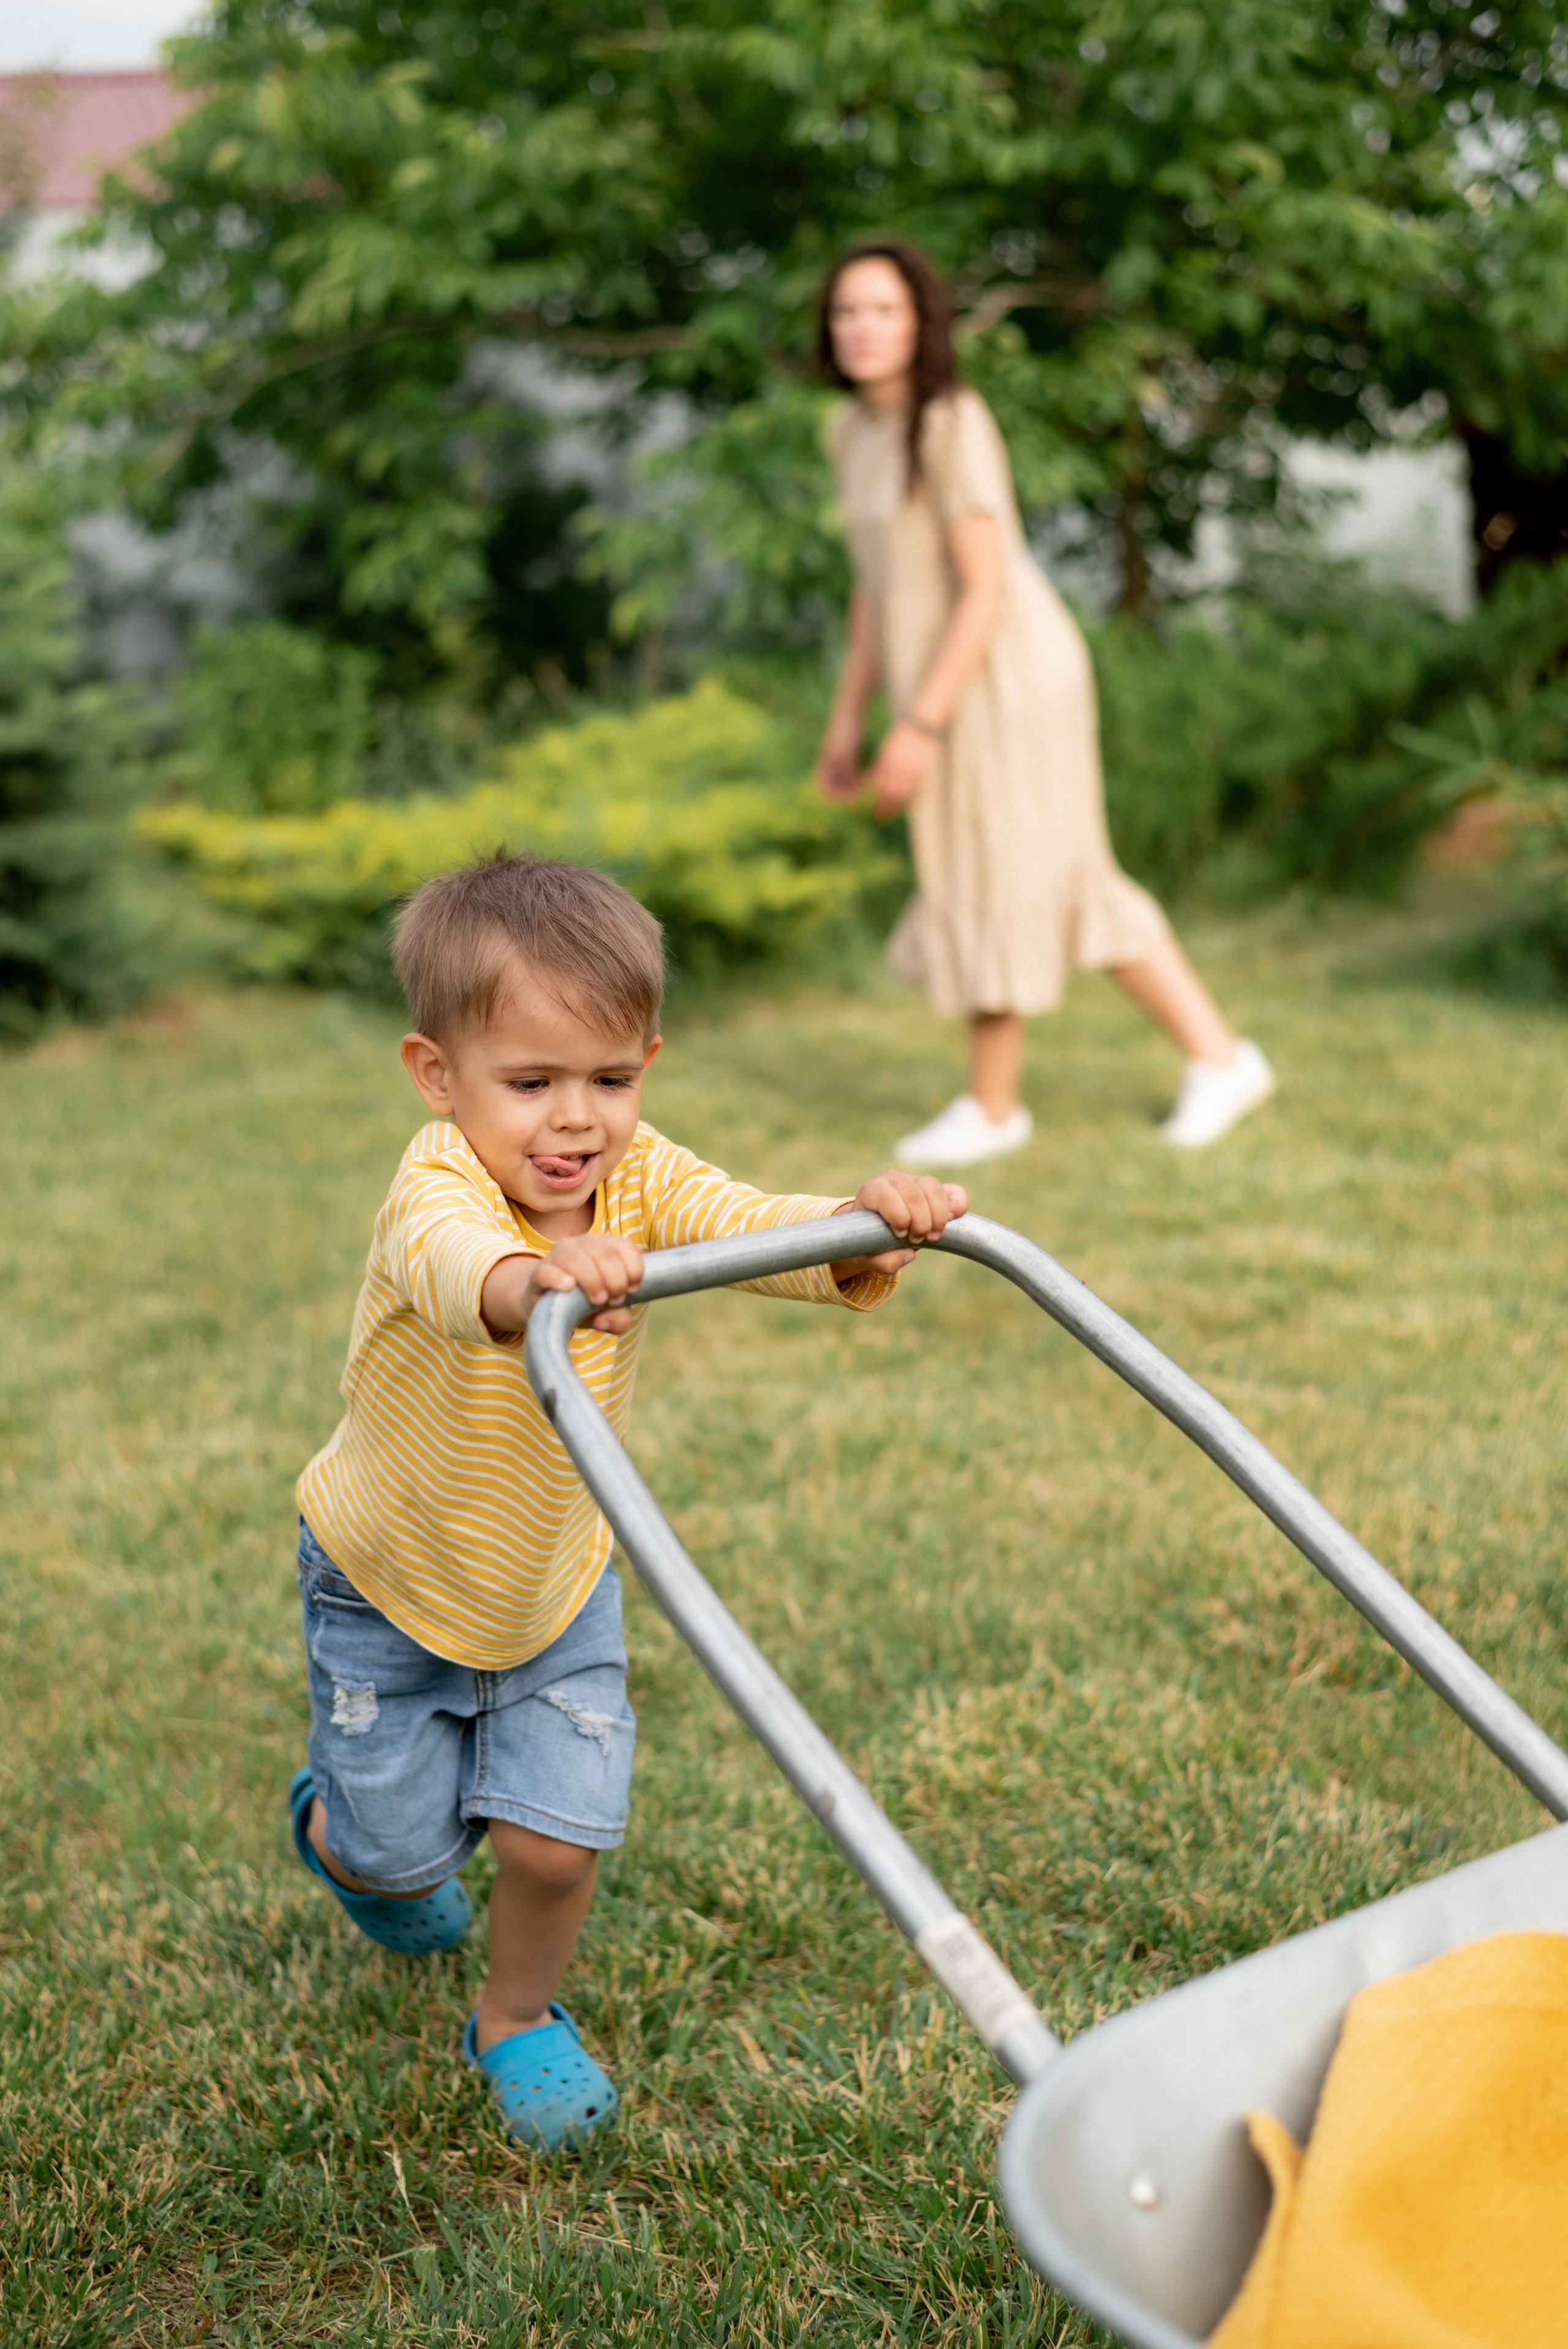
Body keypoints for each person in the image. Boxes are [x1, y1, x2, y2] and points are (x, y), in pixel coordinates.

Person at [287, 851, 964, 2151]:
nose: (576, 1121)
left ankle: (513, 2018)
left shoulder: (641, 1175)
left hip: (556, 1579)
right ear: (438, 1075)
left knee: (555, 1843)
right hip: (389, 1580)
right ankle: (338, 1829)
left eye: (610, 1078)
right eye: (530, 1083)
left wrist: (860, 1223)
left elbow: (742, 1220)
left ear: (647, 1063)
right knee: (398, 1858)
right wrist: (536, 1278)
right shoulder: (437, 1188)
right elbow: (462, 1272)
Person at [814, 241, 1276, 1163]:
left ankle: (1199, 1065)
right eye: (847, 311)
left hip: (1010, 677)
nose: (862, 329)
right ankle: (1013, 1103)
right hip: (937, 683)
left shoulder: (952, 421)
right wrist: (850, 716)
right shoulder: (851, 431)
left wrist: (920, 725)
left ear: (922, 322)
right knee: (982, 875)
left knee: (1049, 871)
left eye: (884, 310)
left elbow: (986, 586)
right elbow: (875, 586)